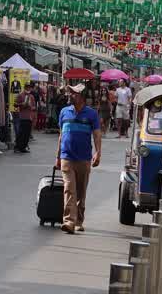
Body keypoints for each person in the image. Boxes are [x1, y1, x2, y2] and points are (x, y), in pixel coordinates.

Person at [57, 83, 101, 234]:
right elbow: (61, 135)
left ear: (82, 96)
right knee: (69, 189)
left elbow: (96, 134)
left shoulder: (91, 114)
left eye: (74, 93)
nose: (70, 95)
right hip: (66, 156)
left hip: (84, 158)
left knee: (81, 191)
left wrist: (98, 152)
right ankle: (69, 221)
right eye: (70, 93)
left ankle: (78, 221)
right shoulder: (64, 112)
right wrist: (58, 156)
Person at [14, 86, 35, 153]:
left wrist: (31, 107)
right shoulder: (20, 95)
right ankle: (17, 147)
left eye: (30, 88)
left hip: (29, 117)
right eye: (27, 88)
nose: (29, 89)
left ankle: (23, 147)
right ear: (25, 88)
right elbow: (15, 104)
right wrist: (21, 104)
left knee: (27, 133)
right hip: (22, 116)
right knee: (21, 133)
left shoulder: (31, 96)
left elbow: (34, 106)